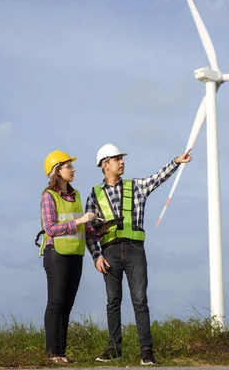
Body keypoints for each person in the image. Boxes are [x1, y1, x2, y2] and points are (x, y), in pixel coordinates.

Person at [84, 143, 192, 366]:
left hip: (135, 250)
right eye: (117, 159)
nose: (122, 161)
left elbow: (157, 178)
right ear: (105, 165)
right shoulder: (94, 195)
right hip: (109, 252)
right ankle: (114, 349)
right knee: (113, 302)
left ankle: (147, 352)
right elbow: (88, 231)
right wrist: (97, 256)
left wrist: (175, 162)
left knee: (140, 301)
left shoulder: (137, 187)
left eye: (122, 158)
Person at [38, 150, 98, 365]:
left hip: (75, 253)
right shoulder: (48, 196)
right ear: (57, 171)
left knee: (68, 305)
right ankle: (52, 353)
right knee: (56, 303)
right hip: (56, 254)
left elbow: (80, 227)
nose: (73, 169)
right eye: (68, 166)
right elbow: (50, 229)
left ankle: (61, 353)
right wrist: (80, 221)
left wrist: (97, 229)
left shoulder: (77, 195)